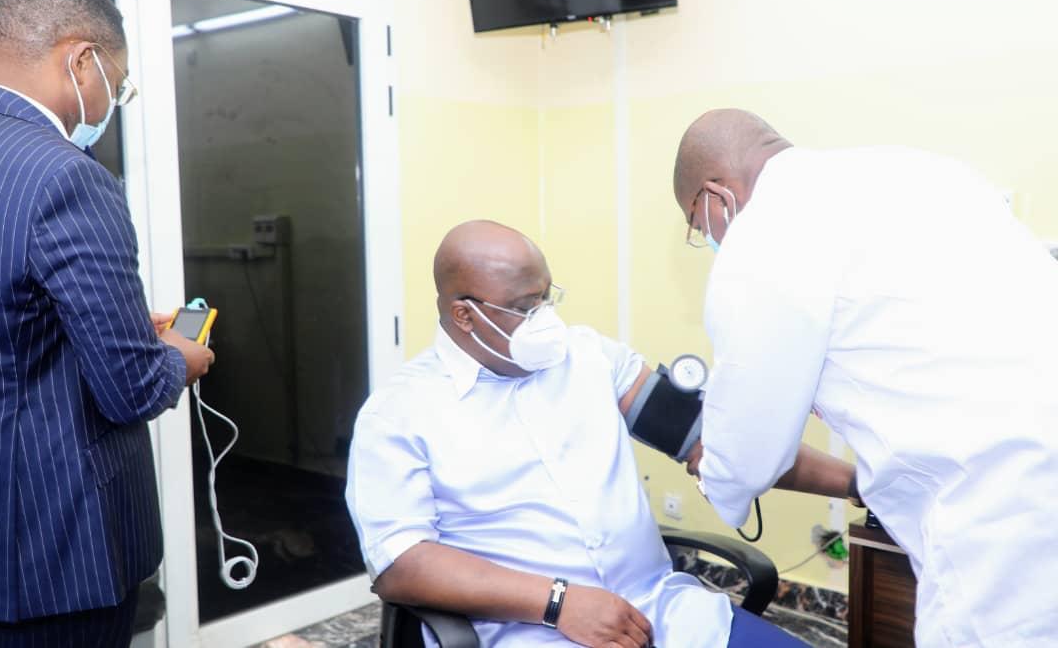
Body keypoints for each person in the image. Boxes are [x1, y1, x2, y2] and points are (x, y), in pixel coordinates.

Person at [346, 220, 835, 647]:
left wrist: (857, 482)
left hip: (664, 614)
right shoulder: (398, 414)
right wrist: (557, 602)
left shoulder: (590, 359)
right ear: (464, 315)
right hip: (527, 631)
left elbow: (712, 441)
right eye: (524, 307)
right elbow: (401, 564)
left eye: (546, 297)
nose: (545, 319)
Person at [672, 108, 1058, 647]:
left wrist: (714, 469)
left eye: (698, 226)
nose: (710, 239)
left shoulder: (760, 237)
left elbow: (747, 452)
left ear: (716, 196)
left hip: (1005, 508)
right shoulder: (919, 170)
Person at [0, 0, 213, 647]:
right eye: (118, 81)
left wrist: (118, 328)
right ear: (80, 61)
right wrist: (180, 355)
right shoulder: (65, 177)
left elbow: (3, 324)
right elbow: (131, 387)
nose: (113, 103)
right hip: (47, 559)